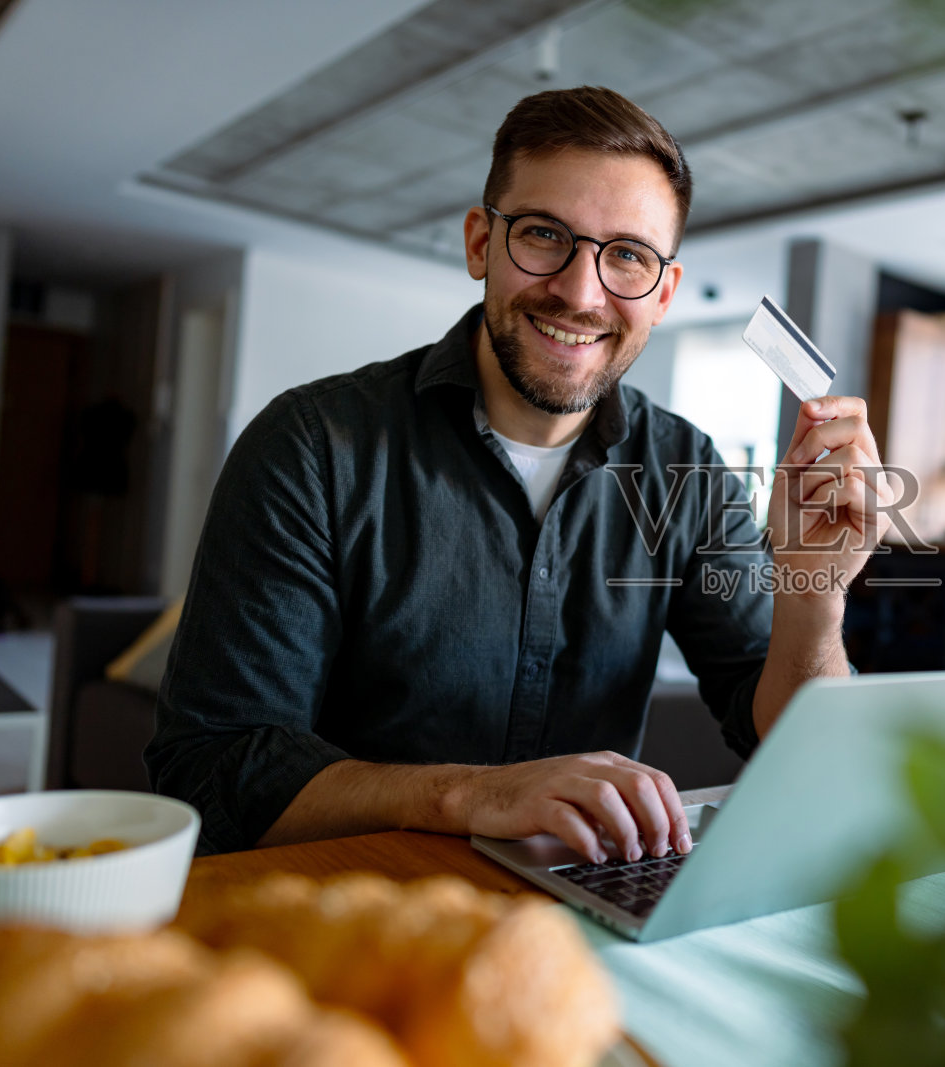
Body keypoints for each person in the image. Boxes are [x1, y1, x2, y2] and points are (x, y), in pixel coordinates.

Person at [146, 86, 895, 860]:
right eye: (543, 235)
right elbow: (210, 772)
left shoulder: (688, 472)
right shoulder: (312, 447)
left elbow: (794, 745)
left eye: (628, 256)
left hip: (574, 923)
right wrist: (470, 795)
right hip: (345, 909)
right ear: (481, 244)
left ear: (664, 292)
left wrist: (817, 591)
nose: (579, 292)